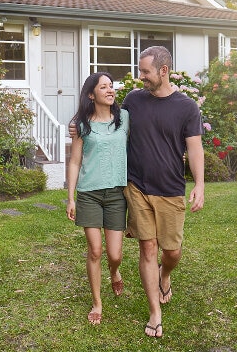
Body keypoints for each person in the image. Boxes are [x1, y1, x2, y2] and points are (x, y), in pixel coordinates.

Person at [122, 46, 205, 338]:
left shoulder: (187, 107)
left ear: (163, 71)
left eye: (145, 71)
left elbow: (194, 148)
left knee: (172, 252)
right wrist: (78, 126)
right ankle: (154, 312)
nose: (140, 76)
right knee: (148, 248)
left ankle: (165, 274)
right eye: (140, 70)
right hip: (137, 186)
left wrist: (200, 184)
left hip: (170, 189)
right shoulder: (133, 100)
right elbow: (111, 125)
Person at [66, 72, 130, 325]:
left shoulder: (124, 118)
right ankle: (97, 303)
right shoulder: (82, 124)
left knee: (114, 255)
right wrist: (70, 197)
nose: (110, 90)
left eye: (111, 86)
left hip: (117, 194)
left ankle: (115, 272)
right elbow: (75, 161)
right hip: (89, 193)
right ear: (91, 95)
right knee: (95, 250)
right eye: (103, 87)